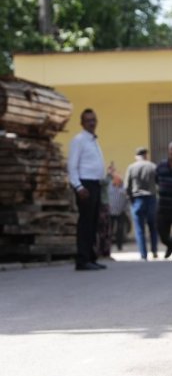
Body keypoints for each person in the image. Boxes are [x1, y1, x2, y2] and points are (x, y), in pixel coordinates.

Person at [67, 108, 108, 271]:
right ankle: (82, 259)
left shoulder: (93, 139)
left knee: (93, 224)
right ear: (82, 123)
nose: (92, 123)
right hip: (85, 185)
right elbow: (72, 165)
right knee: (85, 223)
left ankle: (91, 257)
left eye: (93, 119)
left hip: (96, 184)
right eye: (88, 120)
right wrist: (78, 186)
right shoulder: (79, 140)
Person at [125, 147, 159, 260]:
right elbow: (159, 182)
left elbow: (126, 187)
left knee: (140, 230)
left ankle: (143, 254)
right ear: (146, 155)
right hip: (151, 198)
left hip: (137, 199)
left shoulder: (131, 167)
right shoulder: (152, 166)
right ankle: (154, 251)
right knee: (153, 227)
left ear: (136, 156)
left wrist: (131, 201)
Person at [106, 164, 130, 252]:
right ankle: (108, 246)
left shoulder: (123, 189)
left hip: (121, 212)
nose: (117, 181)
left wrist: (126, 210)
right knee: (109, 230)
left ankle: (119, 246)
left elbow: (127, 200)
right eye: (116, 179)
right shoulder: (109, 187)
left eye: (119, 180)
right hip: (111, 211)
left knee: (120, 230)